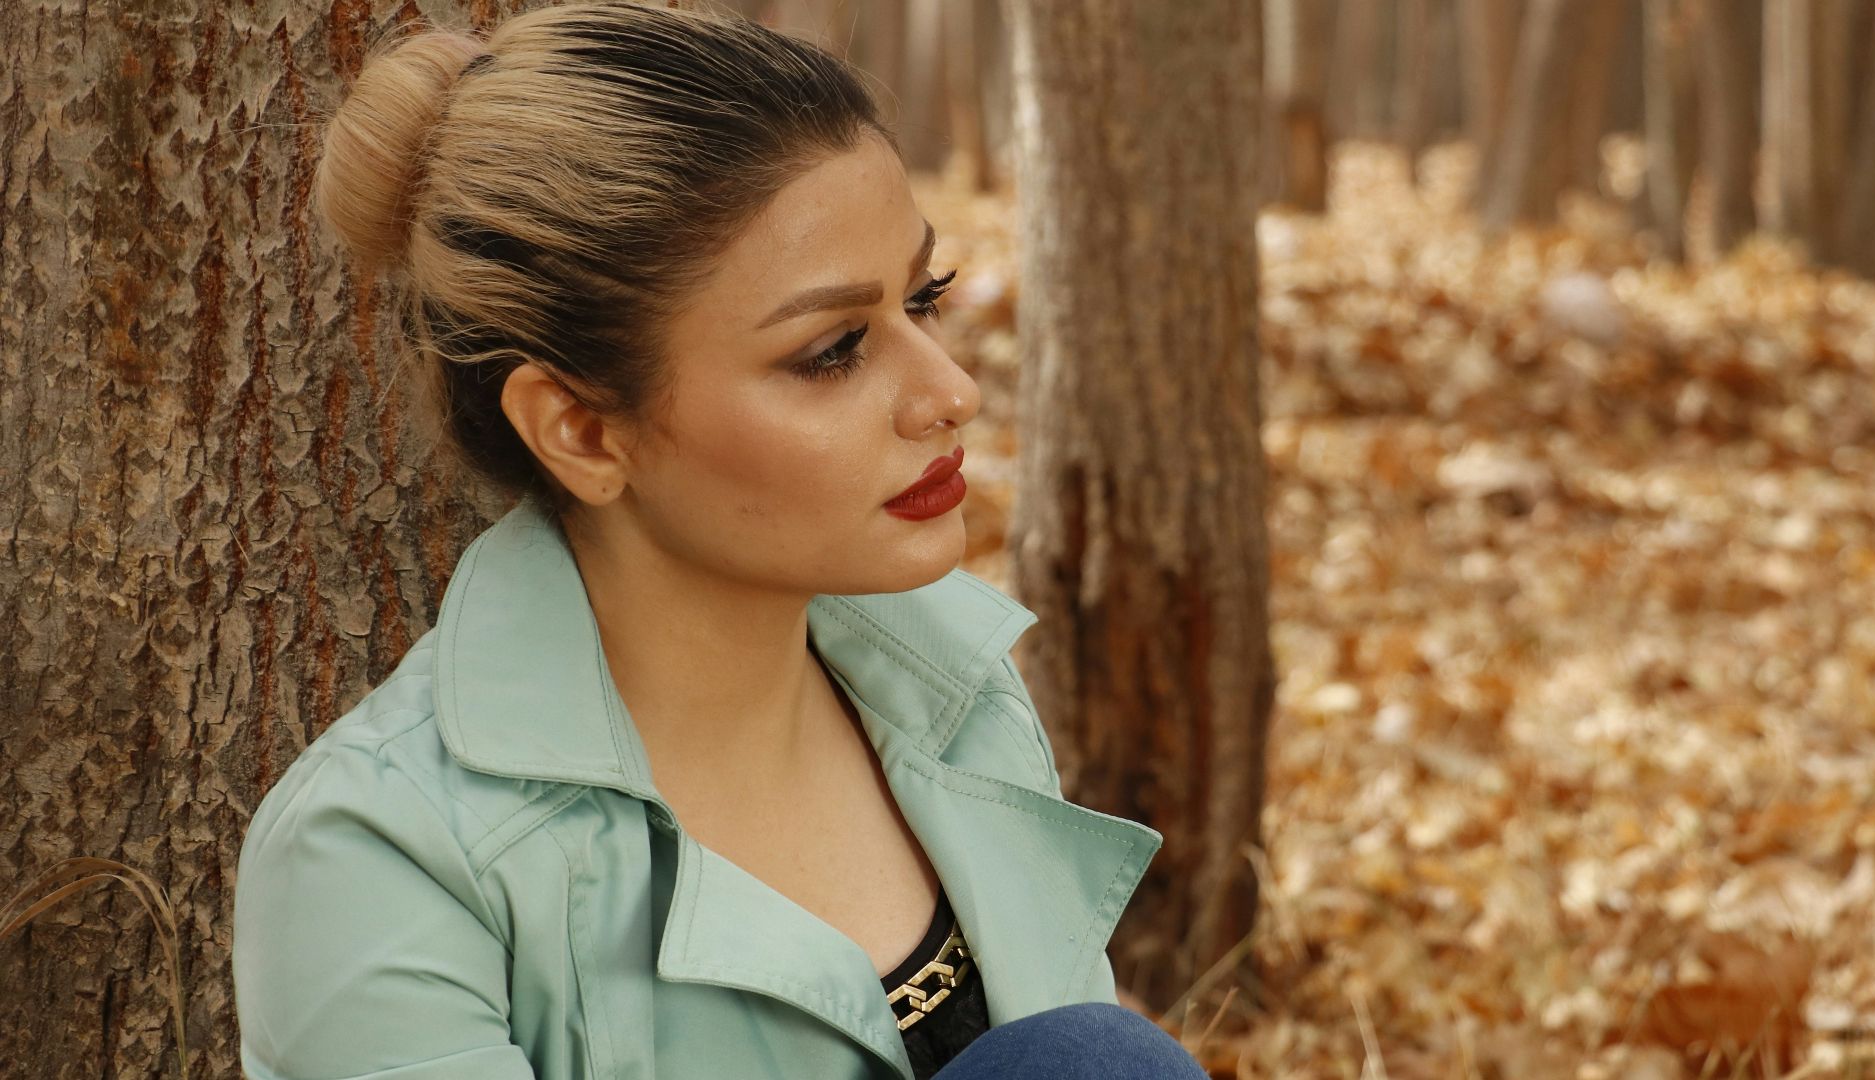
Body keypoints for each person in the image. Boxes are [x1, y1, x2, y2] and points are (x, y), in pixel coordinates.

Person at [229, 3, 1211, 1078]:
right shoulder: (383, 857)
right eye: (834, 351)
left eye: (923, 300)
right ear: (585, 432)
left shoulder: (953, 693)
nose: (951, 392)